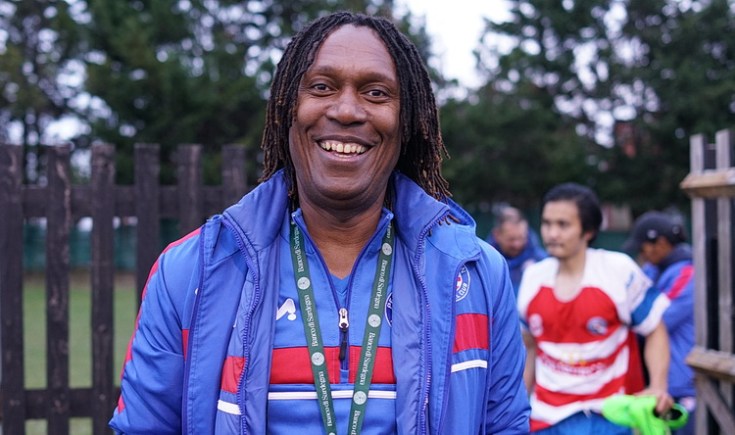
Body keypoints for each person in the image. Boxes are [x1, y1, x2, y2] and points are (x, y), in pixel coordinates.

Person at [109, 11, 529, 434]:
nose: (346, 110)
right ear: (286, 111)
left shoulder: (475, 276)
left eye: (376, 92)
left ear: (408, 123)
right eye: (322, 87)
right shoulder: (192, 272)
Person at [517, 182, 674, 434]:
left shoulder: (617, 270)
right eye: (547, 223)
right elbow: (529, 346)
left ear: (588, 230)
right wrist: (518, 406)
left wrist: (658, 386)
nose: (552, 233)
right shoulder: (532, 277)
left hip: (609, 416)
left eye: (563, 225)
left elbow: (655, 329)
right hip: (546, 418)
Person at [624, 211, 696, 435]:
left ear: (661, 243)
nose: (642, 254)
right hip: (656, 384)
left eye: (643, 247)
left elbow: (658, 319)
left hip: (681, 383)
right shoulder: (653, 269)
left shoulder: (687, 272)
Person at [486, 205, 547, 295]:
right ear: (497, 235)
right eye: (511, 239)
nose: (517, 244)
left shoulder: (542, 261)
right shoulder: (484, 261)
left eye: (522, 238)